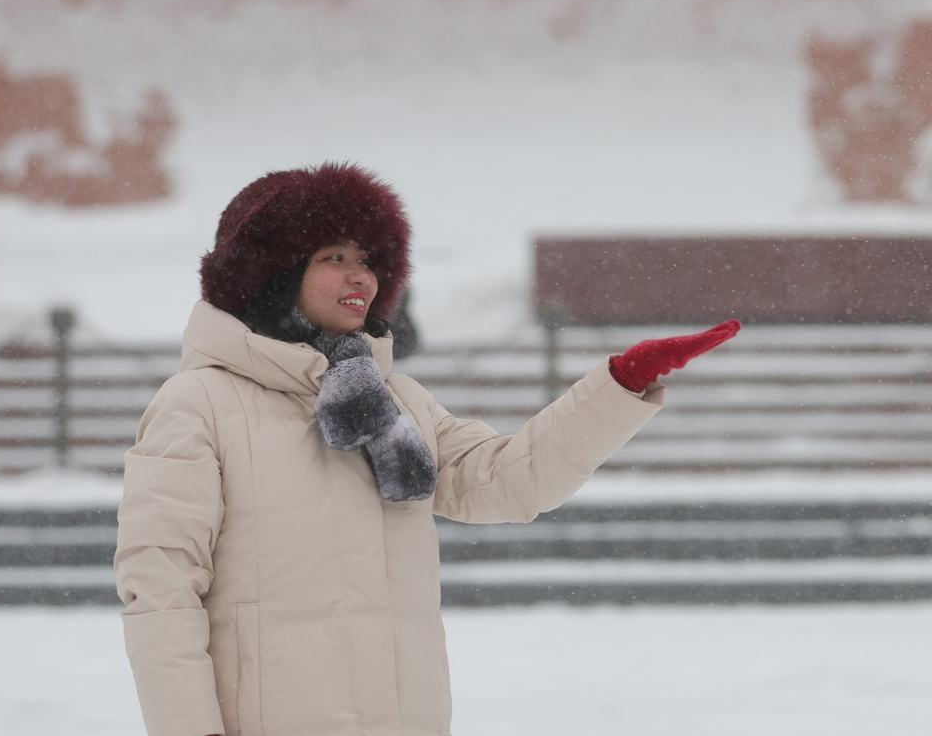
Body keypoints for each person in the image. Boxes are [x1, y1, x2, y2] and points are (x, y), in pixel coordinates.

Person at [114, 162, 739, 736]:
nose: (360, 276)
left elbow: (509, 479)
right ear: (271, 274)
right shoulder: (200, 404)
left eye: (369, 259)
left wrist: (621, 383)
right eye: (334, 256)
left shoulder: (398, 402)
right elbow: (160, 592)